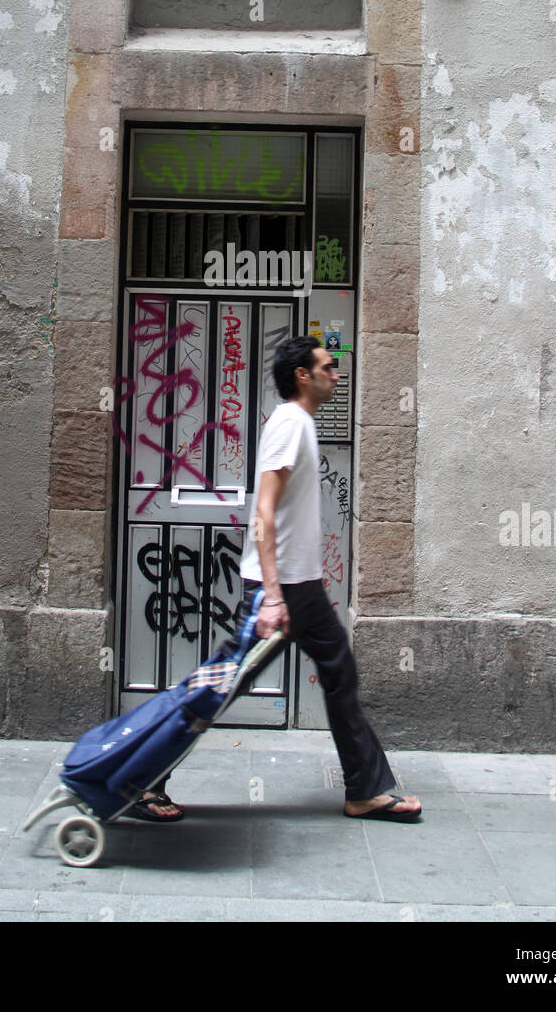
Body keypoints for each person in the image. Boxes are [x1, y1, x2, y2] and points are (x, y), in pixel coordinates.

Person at [136, 336, 422, 823]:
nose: (337, 374)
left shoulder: (300, 424)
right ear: (302, 376)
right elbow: (262, 512)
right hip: (280, 589)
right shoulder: (290, 423)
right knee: (220, 686)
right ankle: (142, 777)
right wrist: (270, 595)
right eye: (328, 367)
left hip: (300, 587)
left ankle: (366, 789)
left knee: (337, 673)